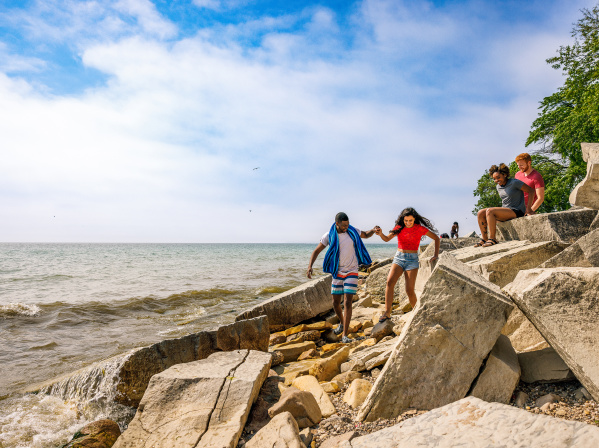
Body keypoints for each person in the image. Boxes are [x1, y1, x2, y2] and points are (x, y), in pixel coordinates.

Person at [307, 212, 377, 343]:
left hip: (352, 270)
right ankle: (342, 323)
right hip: (337, 271)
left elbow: (366, 235)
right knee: (335, 302)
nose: (346, 227)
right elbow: (317, 251)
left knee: (348, 301)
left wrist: (373, 230)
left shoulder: (353, 231)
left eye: (348, 224)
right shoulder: (329, 235)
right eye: (344, 225)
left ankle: (345, 335)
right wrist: (310, 266)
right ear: (337, 223)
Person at [374, 207, 440, 321]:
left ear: (414, 219)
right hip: (399, 258)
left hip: (412, 260)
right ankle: (387, 313)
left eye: (410, 220)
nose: (408, 223)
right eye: (406, 221)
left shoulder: (419, 228)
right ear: (402, 220)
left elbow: (436, 238)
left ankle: (417, 314)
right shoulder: (399, 228)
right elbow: (386, 239)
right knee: (390, 282)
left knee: (409, 290)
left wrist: (435, 255)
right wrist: (380, 234)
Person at [475, 163, 535, 247]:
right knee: (480, 212)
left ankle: (492, 238)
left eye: (498, 177)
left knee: (490, 211)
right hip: (506, 211)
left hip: (517, 211)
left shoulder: (514, 182)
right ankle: (485, 238)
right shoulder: (498, 187)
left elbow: (531, 191)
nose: (496, 180)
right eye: (494, 179)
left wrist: (529, 209)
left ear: (505, 175)